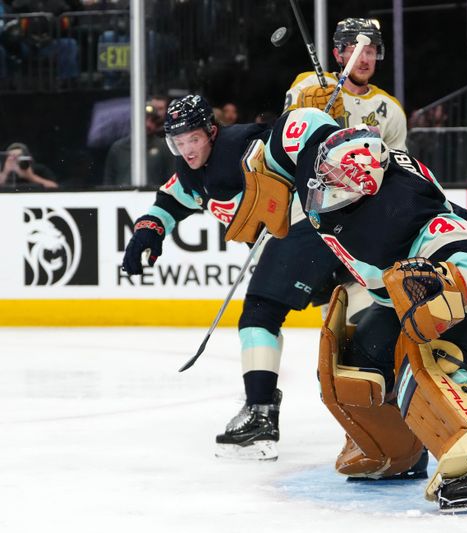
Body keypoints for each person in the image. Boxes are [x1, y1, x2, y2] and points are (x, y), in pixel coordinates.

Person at [235, 106, 467, 512]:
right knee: (355, 363)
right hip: (394, 295)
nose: (319, 185)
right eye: (322, 173)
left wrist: (442, 286)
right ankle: (397, 456)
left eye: (332, 181)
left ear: (360, 187)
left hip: (450, 293)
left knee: (429, 361)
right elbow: (286, 132)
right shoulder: (318, 147)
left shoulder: (400, 209)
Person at [120, 95, 369, 463]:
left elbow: (287, 136)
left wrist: (320, 130)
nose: (187, 149)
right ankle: (375, 412)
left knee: (259, 313)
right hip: (325, 236)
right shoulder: (194, 168)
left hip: (307, 228)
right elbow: (172, 199)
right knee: (344, 317)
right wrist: (149, 230)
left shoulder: (241, 145)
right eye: (179, 141)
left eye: (193, 139)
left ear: (211, 131)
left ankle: (259, 415)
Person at [284, 17, 407, 151]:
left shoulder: (391, 108)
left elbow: (398, 164)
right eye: (355, 51)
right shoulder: (309, 83)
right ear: (338, 55)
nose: (364, 60)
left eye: (370, 52)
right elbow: (284, 132)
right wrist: (305, 112)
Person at [104, 99, 175, 186]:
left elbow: (171, 182)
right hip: (120, 197)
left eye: (153, 120)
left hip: (154, 196)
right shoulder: (117, 148)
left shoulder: (164, 147)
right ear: (134, 120)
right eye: (145, 118)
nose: (148, 124)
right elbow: (108, 182)